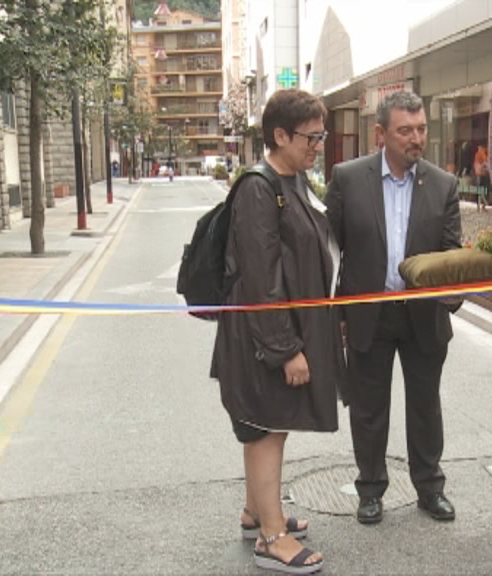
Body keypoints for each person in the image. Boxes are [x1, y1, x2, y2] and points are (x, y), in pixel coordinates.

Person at [211, 88, 343, 574]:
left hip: (273, 333)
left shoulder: (293, 181)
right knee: (265, 430)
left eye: (320, 135)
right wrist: (286, 348)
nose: (318, 145)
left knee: (271, 424)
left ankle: (256, 512)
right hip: (260, 339)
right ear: (280, 135)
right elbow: (261, 276)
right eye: (311, 136)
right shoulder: (258, 189)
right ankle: (271, 537)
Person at [325, 90, 462, 525]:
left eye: (421, 129)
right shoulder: (348, 178)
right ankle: (370, 489)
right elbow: (331, 249)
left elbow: (450, 253)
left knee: (426, 406)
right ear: (381, 133)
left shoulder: (443, 185)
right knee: (368, 407)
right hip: (370, 313)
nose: (415, 138)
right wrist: (337, 314)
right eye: (405, 130)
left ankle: (429, 487)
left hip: (423, 314)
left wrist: (449, 299)